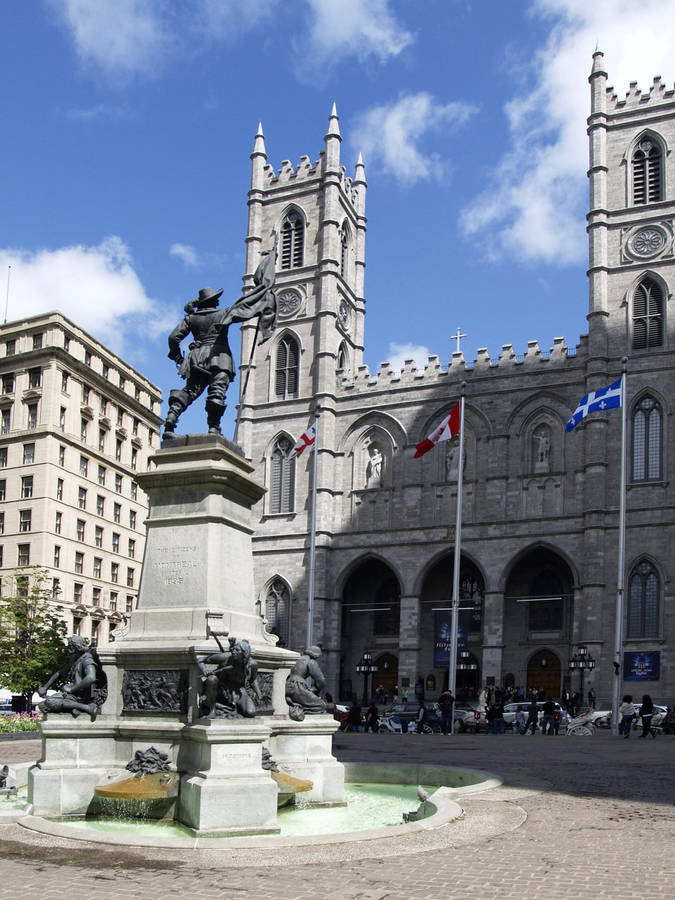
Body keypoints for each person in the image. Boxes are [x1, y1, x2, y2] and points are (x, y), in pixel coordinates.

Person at [163, 240, 277, 438]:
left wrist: (177, 356)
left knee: (190, 390)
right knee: (217, 392)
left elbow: (173, 338)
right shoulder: (224, 313)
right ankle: (213, 428)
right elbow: (246, 309)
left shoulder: (191, 318)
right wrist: (262, 300)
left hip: (196, 358)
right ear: (215, 300)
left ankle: (171, 420)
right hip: (219, 358)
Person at [37, 635, 106, 719]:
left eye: (70, 646)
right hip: (71, 695)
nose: (68, 648)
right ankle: (75, 708)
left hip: (79, 696)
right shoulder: (75, 659)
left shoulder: (87, 659)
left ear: (76, 646)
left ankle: (86, 708)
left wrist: (71, 689)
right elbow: (60, 673)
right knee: (42, 706)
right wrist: (45, 687)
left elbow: (91, 677)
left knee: (50, 702)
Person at [197, 636, 261, 718]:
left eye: (237, 650)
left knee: (251, 713)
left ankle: (228, 708)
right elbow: (200, 660)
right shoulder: (225, 657)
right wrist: (204, 670)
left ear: (244, 653)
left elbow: (253, 680)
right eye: (233, 649)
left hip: (239, 691)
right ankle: (211, 710)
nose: (233, 651)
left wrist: (259, 695)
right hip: (221, 689)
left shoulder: (252, 664)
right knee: (212, 679)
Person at [285, 646, 327, 721]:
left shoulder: (296, 660)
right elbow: (321, 681)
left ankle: (297, 705)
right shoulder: (311, 662)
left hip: (288, 685)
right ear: (315, 655)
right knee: (321, 705)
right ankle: (300, 709)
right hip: (298, 687)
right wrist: (315, 689)